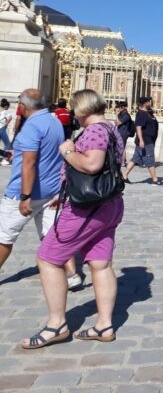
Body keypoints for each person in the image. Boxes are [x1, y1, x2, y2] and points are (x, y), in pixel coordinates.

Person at [22, 88, 126, 349]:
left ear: (81, 109)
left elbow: (92, 164)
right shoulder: (112, 129)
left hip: (86, 209)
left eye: (73, 109)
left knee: (47, 259)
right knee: (100, 263)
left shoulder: (94, 130)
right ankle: (104, 324)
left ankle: (57, 324)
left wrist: (68, 151)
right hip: (108, 204)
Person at [0, 90, 64, 275]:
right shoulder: (55, 122)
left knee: (4, 238)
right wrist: (17, 153)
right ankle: (69, 274)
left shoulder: (32, 126)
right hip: (51, 190)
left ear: (23, 106)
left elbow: (30, 162)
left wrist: (25, 196)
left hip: (26, 192)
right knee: (51, 237)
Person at [122, 97, 163, 186]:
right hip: (145, 141)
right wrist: (141, 140)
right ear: (144, 103)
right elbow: (138, 127)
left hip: (148, 140)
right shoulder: (141, 114)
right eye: (148, 101)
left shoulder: (148, 113)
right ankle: (155, 179)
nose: (150, 102)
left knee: (135, 159)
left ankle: (124, 176)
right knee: (150, 159)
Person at [114, 101, 133, 166]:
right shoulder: (121, 114)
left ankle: (122, 161)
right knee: (121, 146)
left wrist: (116, 116)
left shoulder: (126, 115)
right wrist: (117, 116)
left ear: (123, 107)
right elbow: (116, 123)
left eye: (120, 107)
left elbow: (118, 123)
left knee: (122, 146)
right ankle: (123, 160)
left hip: (124, 133)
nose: (118, 109)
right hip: (119, 132)